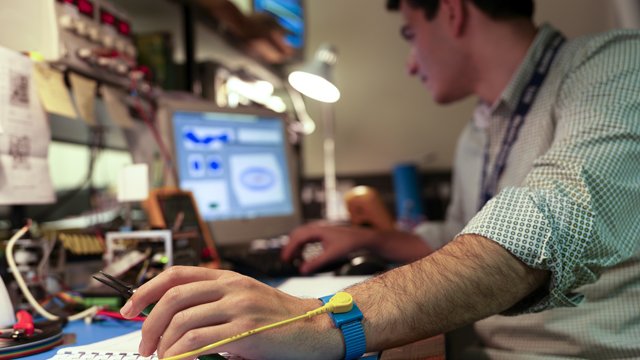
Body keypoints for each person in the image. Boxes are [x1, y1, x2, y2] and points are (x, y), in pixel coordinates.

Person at [120, 0, 640, 359]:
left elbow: (541, 228)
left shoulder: (618, 66)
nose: (411, 64)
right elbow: (463, 236)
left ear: (453, 12)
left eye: (411, 36)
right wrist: (372, 238)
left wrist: (315, 320)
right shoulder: (479, 130)